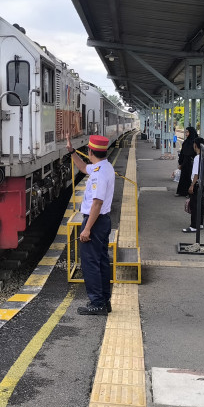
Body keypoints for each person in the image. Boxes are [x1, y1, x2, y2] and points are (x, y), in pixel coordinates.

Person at [66, 134, 116, 316]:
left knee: (91, 263)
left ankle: (97, 303)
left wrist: (86, 229)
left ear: (90, 151)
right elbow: (83, 167)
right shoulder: (103, 167)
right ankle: (104, 301)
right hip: (102, 221)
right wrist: (71, 151)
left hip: (95, 221)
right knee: (101, 261)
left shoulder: (99, 174)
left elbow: (97, 203)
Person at [182, 137, 204, 233]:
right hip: (203, 183)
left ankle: (194, 226)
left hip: (197, 183)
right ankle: (200, 223)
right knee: (200, 203)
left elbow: (196, 173)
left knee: (194, 205)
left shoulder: (198, 158)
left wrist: (192, 185)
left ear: (196, 145)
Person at [176, 126, 198, 196]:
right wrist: (180, 163)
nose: (186, 133)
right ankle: (181, 192)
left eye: (187, 132)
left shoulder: (195, 142)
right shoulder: (186, 142)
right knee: (183, 177)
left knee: (190, 178)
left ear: (191, 132)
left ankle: (190, 193)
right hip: (185, 162)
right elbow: (182, 153)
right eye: (186, 132)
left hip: (192, 162)